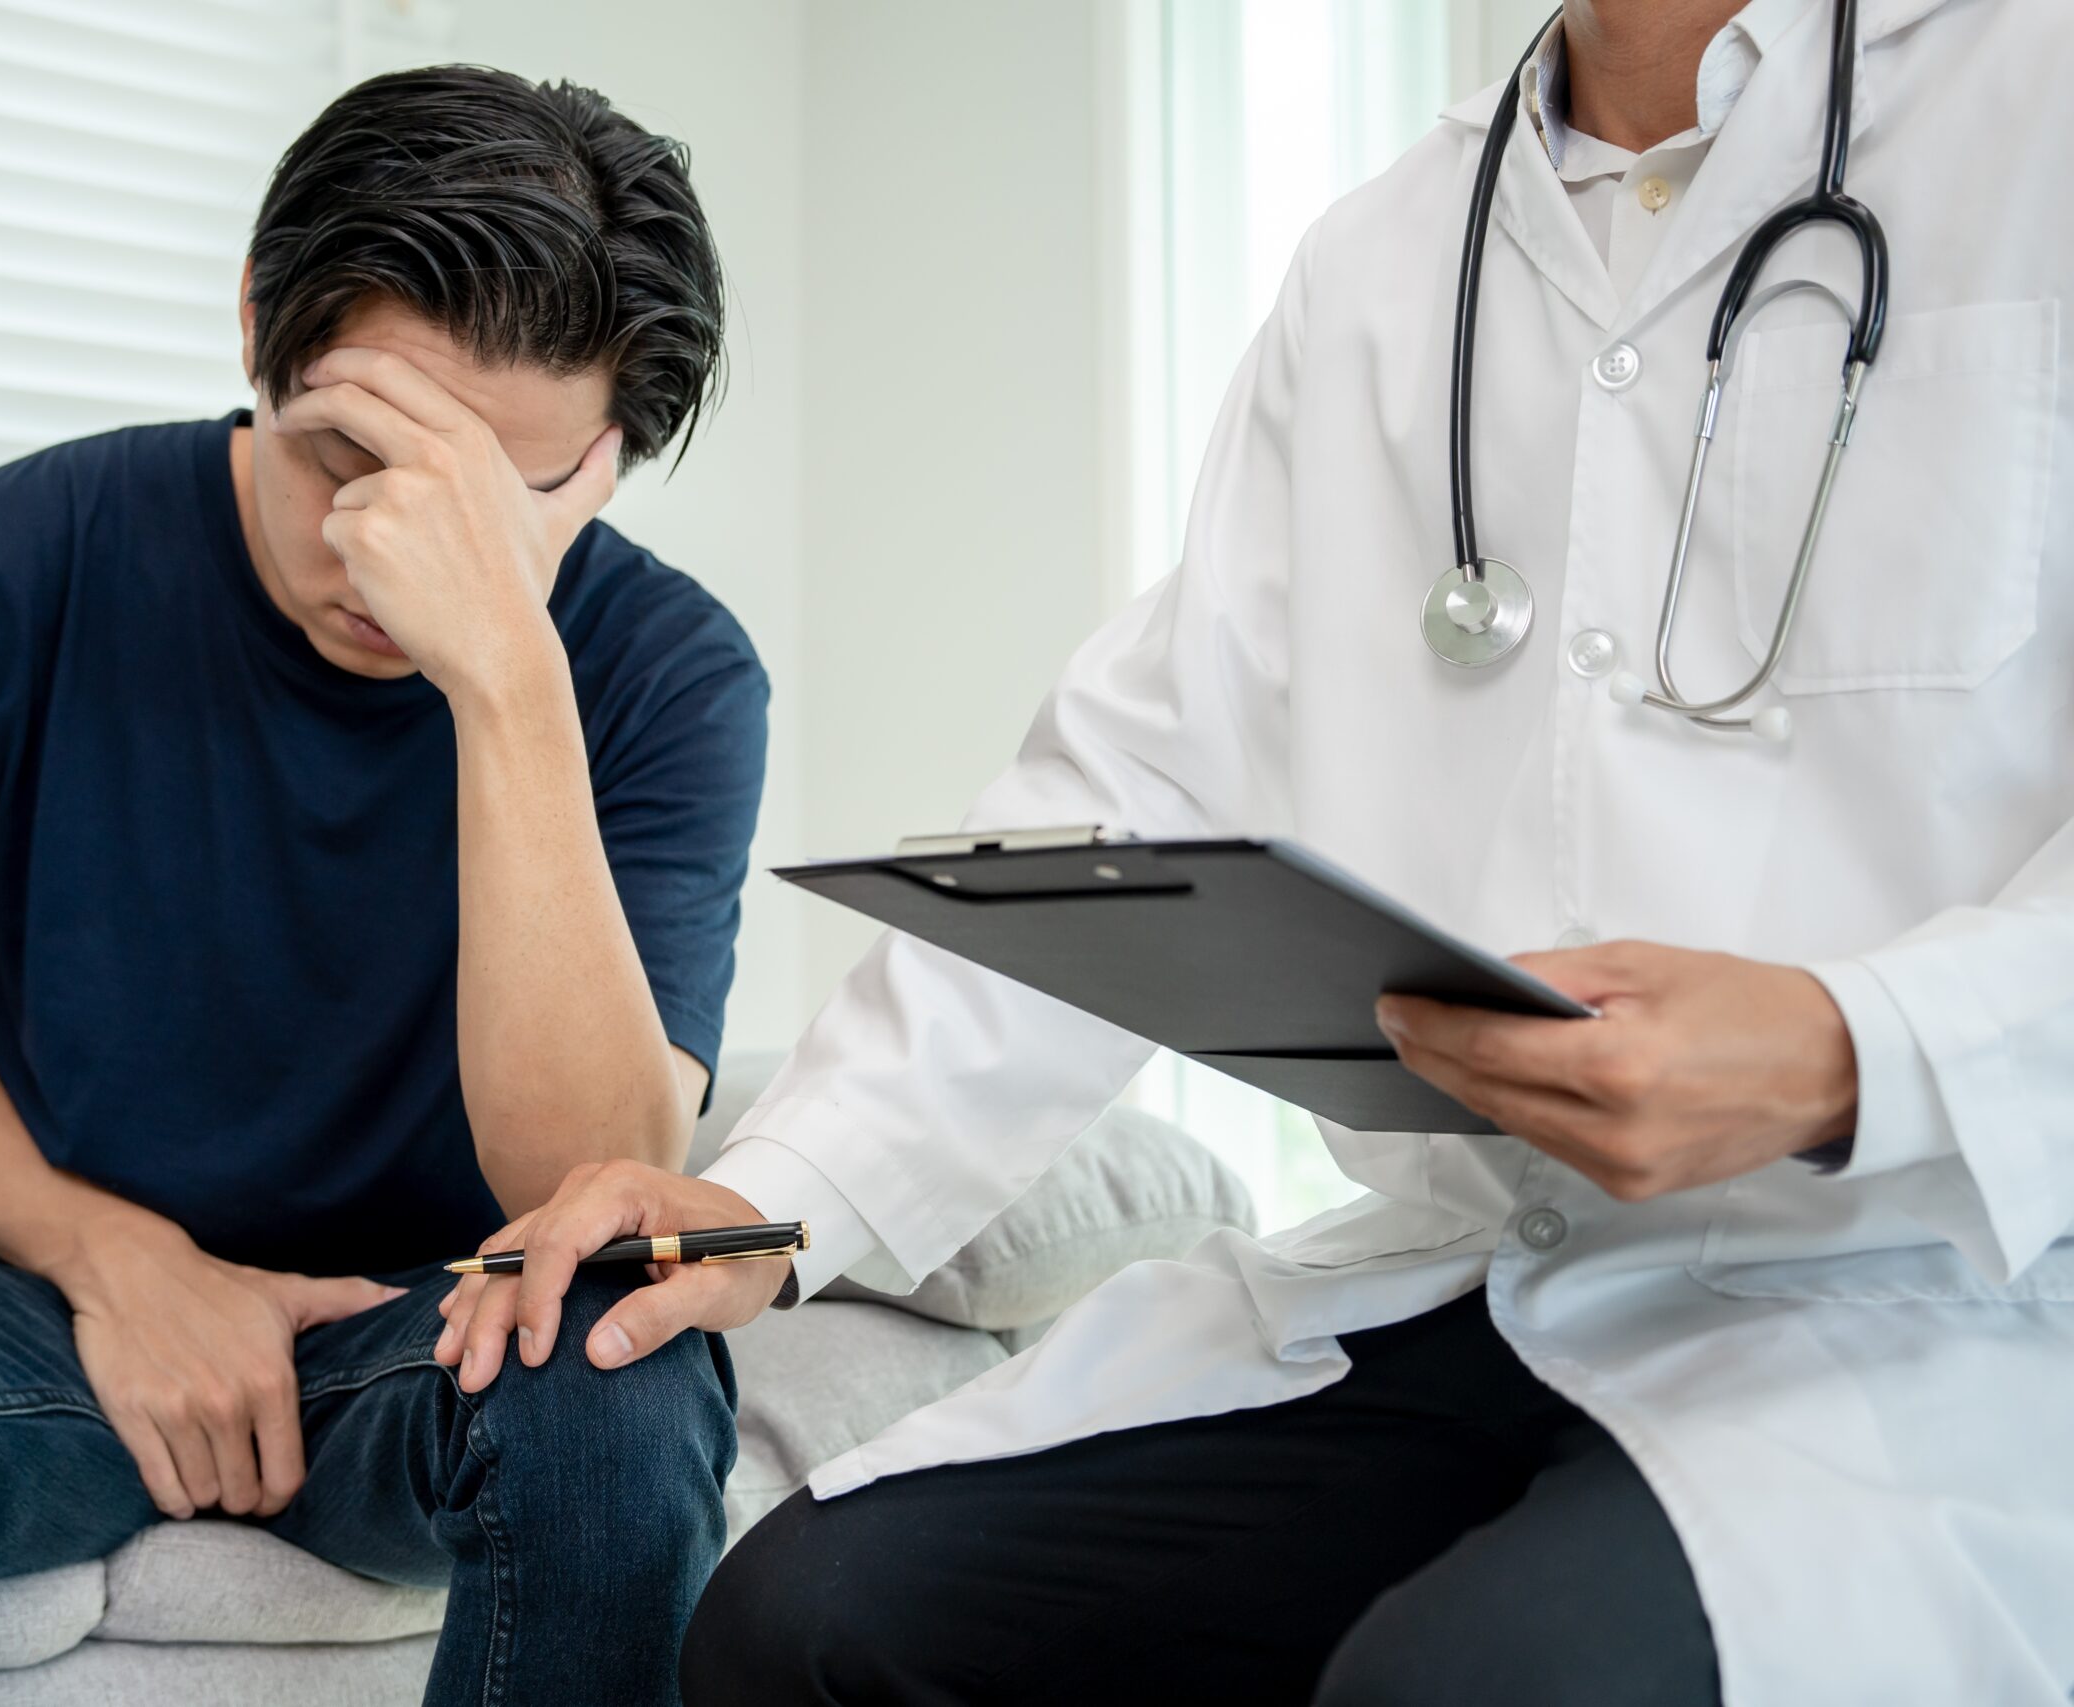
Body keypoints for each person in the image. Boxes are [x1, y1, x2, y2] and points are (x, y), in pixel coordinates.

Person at [440, 2, 2074, 1702]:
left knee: (1471, 1684)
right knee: (808, 1631)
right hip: (1489, 1272)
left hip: (1946, 1295)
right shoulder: (1388, 262)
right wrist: (766, 1202)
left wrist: (1848, 1051)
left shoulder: (2036, 118)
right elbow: (1138, 787)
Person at [0, 66, 766, 1707]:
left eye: (490, 503)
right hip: (52, 1323)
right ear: (257, 321)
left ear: (605, 465)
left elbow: (594, 1184)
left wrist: (507, 671)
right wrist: (115, 1258)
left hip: (437, 1336)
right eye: (346, 454)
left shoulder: (669, 672)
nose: (382, 549)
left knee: (626, 1371)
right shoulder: (4, 561)